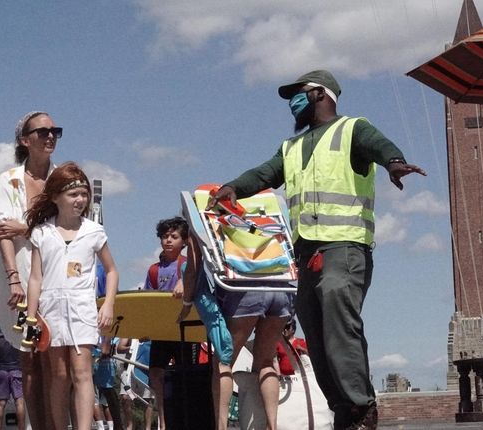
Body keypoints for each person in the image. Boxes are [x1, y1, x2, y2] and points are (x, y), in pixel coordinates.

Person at [209, 70, 427, 430]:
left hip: (345, 246)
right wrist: (234, 187)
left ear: (319, 95)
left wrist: (394, 162)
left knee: (336, 306)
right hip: (306, 253)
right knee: (315, 328)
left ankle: (361, 407)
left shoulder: (352, 129)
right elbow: (264, 174)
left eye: (299, 94)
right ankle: (343, 410)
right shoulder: (291, 148)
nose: (293, 102)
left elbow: (380, 146)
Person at [24, 162, 119, 430]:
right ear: (55, 197)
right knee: (59, 375)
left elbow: (112, 270)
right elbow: (35, 278)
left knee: (82, 372)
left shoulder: (93, 232)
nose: (80, 200)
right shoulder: (41, 233)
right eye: (73, 194)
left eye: (83, 194)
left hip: (82, 309)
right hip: (51, 311)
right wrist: (31, 316)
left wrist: (108, 303)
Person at [0, 110, 60, 430]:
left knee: (57, 360)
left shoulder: (63, 180)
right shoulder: (9, 181)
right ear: (24, 140)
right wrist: (12, 279)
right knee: (30, 356)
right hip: (22, 284)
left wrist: (26, 228)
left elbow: (69, 231)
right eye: (42, 131)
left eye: (54, 131)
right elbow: (3, 231)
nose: (50, 136)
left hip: (58, 281)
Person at [180, 232, 290, 430]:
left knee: (224, 362)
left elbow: (193, 268)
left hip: (243, 290)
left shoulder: (204, 216)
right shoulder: (261, 211)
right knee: (266, 360)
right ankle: (272, 425)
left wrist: (187, 302)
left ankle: (220, 426)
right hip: (281, 288)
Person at [142, 217, 197, 430]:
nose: (168, 240)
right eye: (165, 236)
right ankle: (163, 420)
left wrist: (186, 280)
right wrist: (145, 327)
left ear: (183, 241)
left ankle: (188, 418)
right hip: (162, 329)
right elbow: (147, 300)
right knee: (156, 372)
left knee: (187, 375)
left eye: (174, 236)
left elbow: (197, 281)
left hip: (186, 328)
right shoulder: (154, 270)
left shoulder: (188, 264)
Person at [0, 335, 25, 430]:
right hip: (17, 372)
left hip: (2, 372)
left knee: (0, 403)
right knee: (19, 403)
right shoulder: (19, 339)